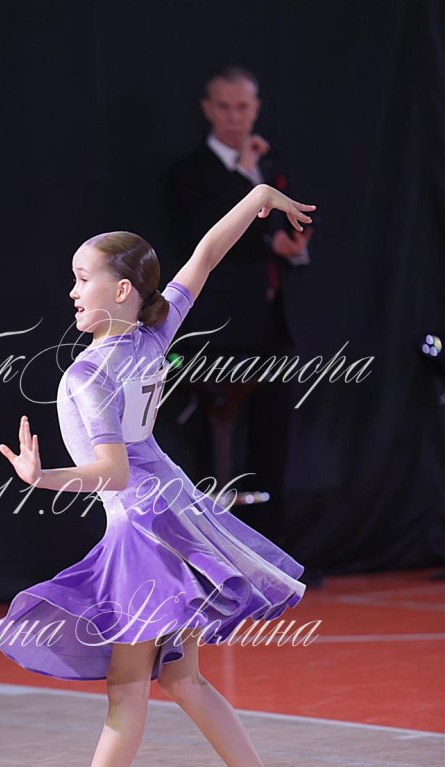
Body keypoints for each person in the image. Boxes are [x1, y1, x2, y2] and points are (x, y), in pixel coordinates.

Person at [0, 180, 316, 767]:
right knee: (183, 676)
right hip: (177, 515)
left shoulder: (89, 373)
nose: (71, 290)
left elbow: (111, 472)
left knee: (128, 686)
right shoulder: (154, 331)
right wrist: (258, 196)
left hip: (145, 527)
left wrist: (40, 478)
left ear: (120, 291)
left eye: (82, 278)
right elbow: (206, 255)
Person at [166, 66, 312, 546]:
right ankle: (214, 551)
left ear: (256, 108)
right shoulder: (192, 172)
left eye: (243, 107)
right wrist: (247, 178)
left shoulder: (273, 163)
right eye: (225, 107)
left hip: (272, 323)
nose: (235, 117)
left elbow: (289, 228)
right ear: (208, 110)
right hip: (219, 330)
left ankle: (270, 553)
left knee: (273, 440)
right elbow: (209, 235)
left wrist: (292, 246)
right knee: (215, 445)